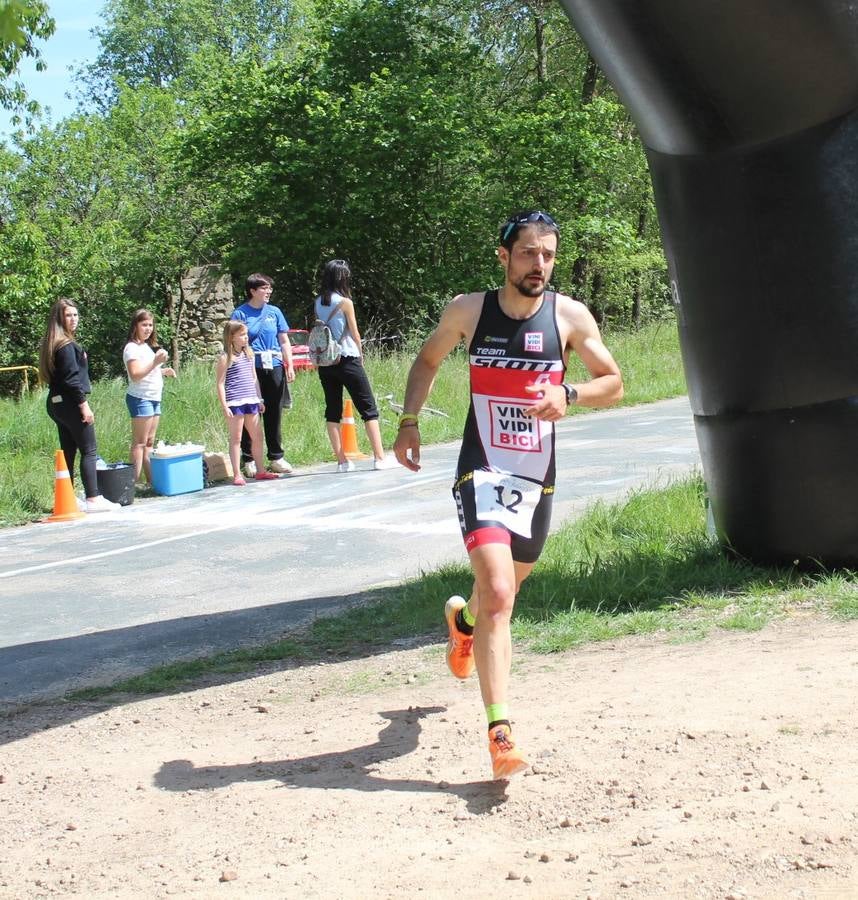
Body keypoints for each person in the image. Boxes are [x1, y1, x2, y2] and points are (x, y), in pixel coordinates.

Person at [393, 210, 623, 780]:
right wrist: (409, 421)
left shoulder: (568, 316)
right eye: (527, 253)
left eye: (547, 254)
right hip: (483, 468)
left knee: (498, 596)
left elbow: (613, 382)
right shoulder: (469, 311)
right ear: (504, 256)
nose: (538, 265)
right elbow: (426, 360)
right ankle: (501, 733)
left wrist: (569, 391)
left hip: (536, 476)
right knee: (499, 590)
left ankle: (463, 623)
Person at [314, 258, 398, 472]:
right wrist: (361, 355)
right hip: (347, 357)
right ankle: (379, 457)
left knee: (332, 410)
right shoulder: (345, 302)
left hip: (326, 361)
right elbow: (354, 332)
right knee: (368, 409)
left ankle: (342, 461)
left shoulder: (318, 302)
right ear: (342, 278)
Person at [38, 298, 119, 513]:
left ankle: (68, 497)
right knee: (89, 450)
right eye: (68, 315)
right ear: (59, 318)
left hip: (57, 403)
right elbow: (72, 379)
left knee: (69, 450)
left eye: (75, 314)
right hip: (71, 403)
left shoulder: (53, 343)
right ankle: (93, 498)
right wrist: (83, 404)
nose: (73, 319)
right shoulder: (65, 346)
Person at [230, 273, 295, 477]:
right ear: (252, 291)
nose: (268, 292)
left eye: (270, 288)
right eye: (264, 288)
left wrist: (289, 364)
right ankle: (249, 459)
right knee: (251, 411)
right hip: (250, 366)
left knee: (274, 411)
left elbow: (284, 340)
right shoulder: (240, 314)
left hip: (274, 364)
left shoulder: (274, 312)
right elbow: (234, 341)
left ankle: (276, 456)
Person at [216, 321, 281, 487]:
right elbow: (220, 383)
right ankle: (237, 474)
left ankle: (260, 470)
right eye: (242, 335)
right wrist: (225, 406)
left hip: (251, 400)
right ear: (231, 337)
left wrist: (259, 399)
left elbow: (254, 378)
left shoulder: (249, 354)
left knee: (257, 436)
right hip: (235, 401)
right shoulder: (225, 358)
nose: (246, 338)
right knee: (236, 438)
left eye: (246, 335)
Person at [123, 308, 176, 484]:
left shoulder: (145, 346)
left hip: (154, 397)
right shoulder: (131, 348)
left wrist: (162, 371)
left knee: (149, 442)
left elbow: (148, 371)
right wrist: (156, 362)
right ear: (135, 326)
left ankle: (152, 482)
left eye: (150, 325)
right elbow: (136, 374)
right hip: (141, 398)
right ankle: (133, 484)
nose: (148, 328)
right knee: (139, 442)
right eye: (144, 324)